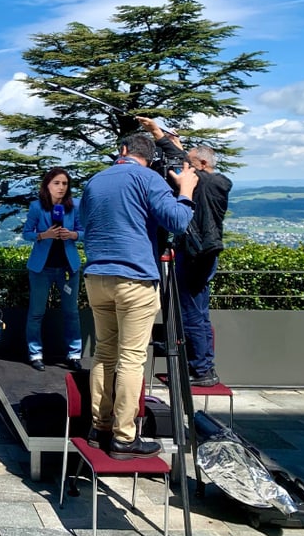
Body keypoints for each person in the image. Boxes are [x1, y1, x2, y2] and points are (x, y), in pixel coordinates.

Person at [79, 132, 197, 458]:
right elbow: (178, 221)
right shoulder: (147, 179)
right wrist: (185, 191)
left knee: (104, 353)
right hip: (135, 279)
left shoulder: (95, 182)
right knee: (132, 358)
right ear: (149, 157)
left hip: (96, 277)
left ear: (123, 150)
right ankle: (124, 436)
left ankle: (98, 426)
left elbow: (85, 225)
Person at [138, 117, 232, 387]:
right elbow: (184, 162)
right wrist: (175, 143)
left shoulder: (211, 182)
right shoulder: (215, 183)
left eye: (192, 163)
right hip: (204, 254)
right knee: (199, 313)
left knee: (191, 313)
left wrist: (157, 133)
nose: (186, 167)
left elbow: (183, 164)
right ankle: (203, 367)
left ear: (202, 165)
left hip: (195, 255)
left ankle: (200, 370)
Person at [22, 167, 84, 371]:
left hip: (68, 268)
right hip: (42, 268)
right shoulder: (37, 207)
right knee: (36, 313)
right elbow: (26, 233)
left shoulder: (74, 206)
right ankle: (35, 353)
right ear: (47, 185)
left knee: (71, 313)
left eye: (64, 184)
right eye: (56, 183)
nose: (61, 187)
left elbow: (84, 231)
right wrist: (43, 235)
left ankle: (74, 354)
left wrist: (73, 235)